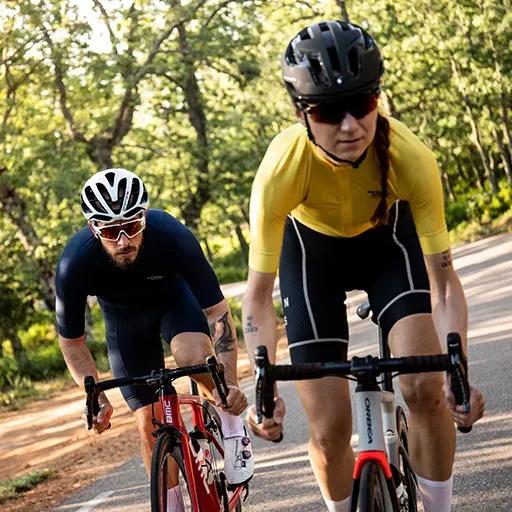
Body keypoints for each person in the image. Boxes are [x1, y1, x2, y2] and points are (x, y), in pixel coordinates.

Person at [242, 20, 484, 512]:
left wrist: (459, 372)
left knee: (426, 389)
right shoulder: (280, 170)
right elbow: (258, 297)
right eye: (329, 110)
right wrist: (261, 384)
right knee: (329, 430)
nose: (350, 124)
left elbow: (442, 284)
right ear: (301, 112)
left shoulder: (409, 157)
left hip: (389, 246)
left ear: (378, 98)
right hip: (311, 256)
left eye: (363, 103)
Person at [56, 168, 254, 506]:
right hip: (124, 322)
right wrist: (94, 398)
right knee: (147, 419)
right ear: (93, 228)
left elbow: (217, 311)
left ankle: (230, 420)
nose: (123, 240)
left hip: (174, 302)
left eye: (132, 227)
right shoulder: (75, 261)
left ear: (144, 217)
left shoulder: (171, 234)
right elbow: (72, 342)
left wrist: (230, 382)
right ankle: (171, 502)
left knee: (192, 358)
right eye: (110, 230)